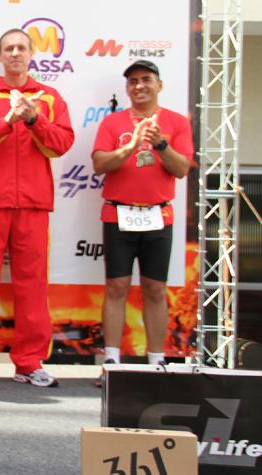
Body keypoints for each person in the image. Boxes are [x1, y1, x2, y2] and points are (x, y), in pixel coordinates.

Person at [0, 28, 74, 388]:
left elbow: (62, 144)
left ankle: (29, 362)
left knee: (32, 285)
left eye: (21, 48)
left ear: (31, 55)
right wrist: (7, 121)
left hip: (33, 205)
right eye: (8, 47)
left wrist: (32, 119)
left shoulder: (50, 98)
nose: (15, 53)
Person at [92, 60, 193, 378]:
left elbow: (181, 169)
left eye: (146, 79)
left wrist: (160, 144)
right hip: (118, 212)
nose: (139, 86)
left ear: (159, 85)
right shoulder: (112, 123)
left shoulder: (177, 123)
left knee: (155, 288)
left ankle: (156, 360)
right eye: (133, 81)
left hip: (158, 214)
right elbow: (99, 163)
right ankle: (111, 360)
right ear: (127, 89)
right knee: (116, 285)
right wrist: (132, 146)